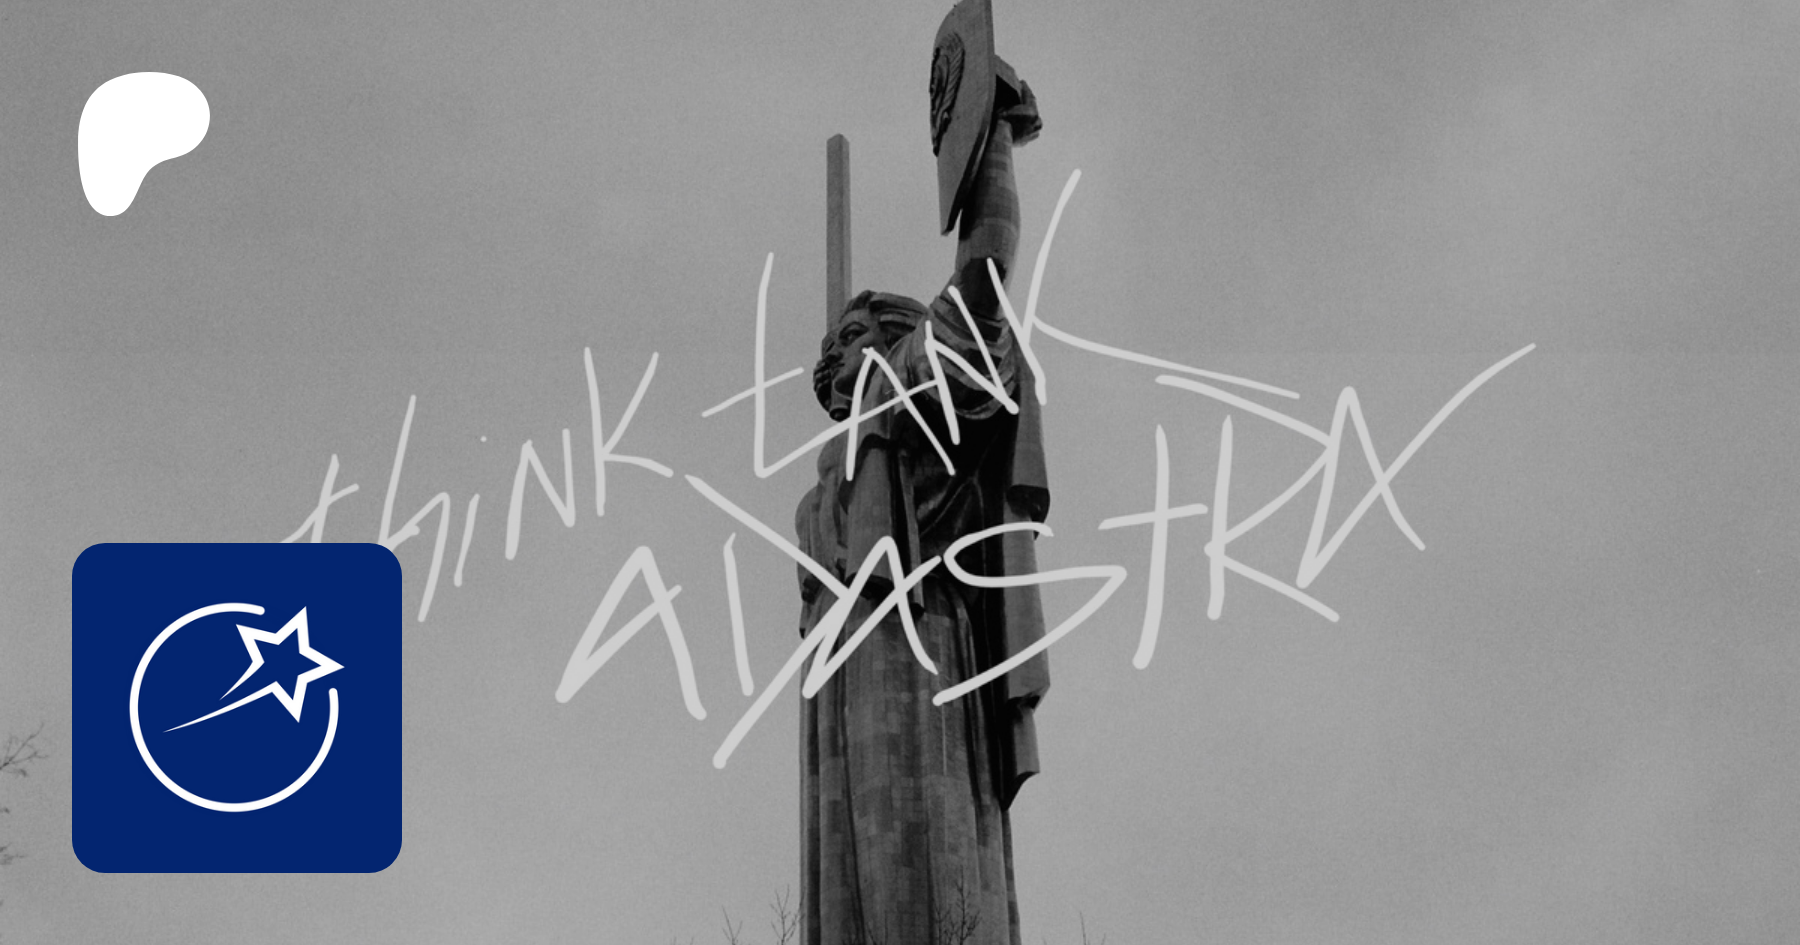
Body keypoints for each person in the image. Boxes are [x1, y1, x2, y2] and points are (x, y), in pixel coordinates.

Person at [795, 79, 1046, 945]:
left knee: (922, 885)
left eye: (851, 340)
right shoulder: (827, 481)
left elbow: (982, 282)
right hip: (839, 691)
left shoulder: (910, 406)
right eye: (828, 353)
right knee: (848, 897)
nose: (832, 363)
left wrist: (992, 139)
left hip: (916, 653)